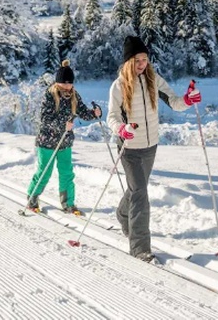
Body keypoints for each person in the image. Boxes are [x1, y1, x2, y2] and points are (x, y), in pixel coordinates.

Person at [107, 36, 202, 261]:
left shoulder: (153, 80)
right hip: (129, 145)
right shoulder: (119, 85)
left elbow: (175, 102)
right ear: (129, 62)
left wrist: (188, 100)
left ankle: (122, 214)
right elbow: (112, 116)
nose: (142, 64)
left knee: (136, 188)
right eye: (138, 60)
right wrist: (121, 129)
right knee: (140, 192)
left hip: (150, 145)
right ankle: (140, 247)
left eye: (145, 59)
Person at [26, 60, 101, 215]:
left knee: (66, 172)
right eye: (64, 84)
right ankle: (32, 198)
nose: (67, 87)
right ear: (57, 83)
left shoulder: (74, 95)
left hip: (64, 142)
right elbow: (45, 119)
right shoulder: (49, 95)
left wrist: (94, 114)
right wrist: (63, 125)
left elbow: (83, 112)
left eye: (69, 84)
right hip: (47, 141)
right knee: (44, 172)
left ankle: (68, 203)